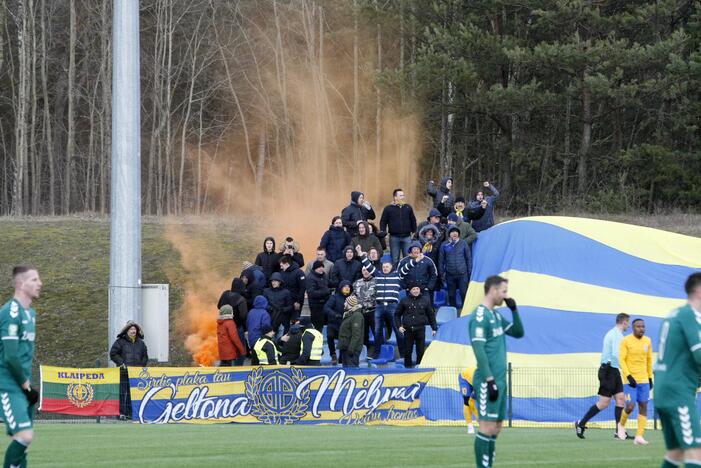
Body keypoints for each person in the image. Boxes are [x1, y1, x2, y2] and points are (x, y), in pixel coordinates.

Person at [468, 275, 524, 468]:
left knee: (496, 428)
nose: (505, 295)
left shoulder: (497, 316)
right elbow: (479, 350)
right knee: (486, 426)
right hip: (487, 381)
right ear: (493, 290)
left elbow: (518, 332)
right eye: (504, 291)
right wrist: (489, 379)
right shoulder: (480, 316)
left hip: (501, 381)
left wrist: (514, 310)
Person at [653, 273, 701, 468]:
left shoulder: (674, 314)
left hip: (664, 390)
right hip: (678, 393)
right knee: (695, 451)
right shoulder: (690, 315)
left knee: (676, 451)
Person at [0, 266, 41, 467]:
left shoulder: (30, 313)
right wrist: (26, 386)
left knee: (23, 442)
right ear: (20, 283)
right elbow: (10, 356)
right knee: (25, 435)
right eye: (34, 279)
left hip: (23, 386)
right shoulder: (10, 312)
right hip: (8, 385)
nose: (39, 283)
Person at [575, 313, 630, 440]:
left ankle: (619, 432)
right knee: (604, 403)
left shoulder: (617, 334)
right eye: (628, 322)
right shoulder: (616, 335)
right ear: (624, 322)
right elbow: (616, 355)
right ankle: (581, 423)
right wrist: (628, 369)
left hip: (614, 370)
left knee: (621, 399)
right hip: (608, 370)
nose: (628, 325)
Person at [359, 253, 406, 359]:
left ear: (391, 267)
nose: (385, 268)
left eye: (387, 267)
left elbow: (406, 268)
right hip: (379, 307)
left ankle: (403, 354)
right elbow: (368, 266)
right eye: (384, 267)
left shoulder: (397, 275)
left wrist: (415, 260)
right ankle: (376, 354)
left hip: (392, 306)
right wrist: (361, 255)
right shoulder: (378, 275)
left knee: (398, 330)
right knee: (377, 331)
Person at [618, 318, 653, 445]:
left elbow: (649, 360)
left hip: (644, 380)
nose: (641, 328)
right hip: (630, 381)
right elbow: (621, 360)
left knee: (643, 406)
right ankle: (621, 425)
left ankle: (639, 436)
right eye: (638, 326)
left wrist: (650, 378)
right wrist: (628, 376)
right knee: (630, 405)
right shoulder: (626, 341)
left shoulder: (647, 341)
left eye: (643, 326)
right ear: (633, 328)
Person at [110, 320, 149, 418]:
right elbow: (113, 353)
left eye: (134, 329)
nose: (133, 331)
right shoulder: (120, 342)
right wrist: (121, 363)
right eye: (131, 329)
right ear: (127, 331)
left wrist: (141, 366)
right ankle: (121, 413)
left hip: (136, 373)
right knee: (122, 393)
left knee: (133, 393)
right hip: (124, 372)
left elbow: (145, 356)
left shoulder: (141, 343)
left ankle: (130, 414)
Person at [395, 284, 437, 368]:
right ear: (410, 290)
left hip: (420, 329)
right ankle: (407, 369)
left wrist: (434, 328)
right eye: (413, 289)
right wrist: (399, 326)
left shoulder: (425, 300)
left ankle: (419, 368)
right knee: (407, 351)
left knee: (420, 351)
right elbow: (397, 314)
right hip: (407, 330)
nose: (416, 291)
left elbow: (431, 315)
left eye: (417, 289)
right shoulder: (404, 300)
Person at [380, 188, 417, 264]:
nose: (403, 197)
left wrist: (414, 231)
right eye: (400, 195)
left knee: (408, 258)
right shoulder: (388, 208)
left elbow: (413, 219)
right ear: (395, 197)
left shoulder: (408, 207)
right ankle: (396, 274)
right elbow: (383, 221)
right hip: (394, 237)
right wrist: (383, 231)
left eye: (403, 195)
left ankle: (407, 274)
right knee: (395, 259)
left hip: (407, 237)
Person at [439, 226, 472, 308]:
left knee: (464, 293)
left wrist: (469, 271)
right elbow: (441, 260)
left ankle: (465, 310)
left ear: (458, 234)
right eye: (452, 231)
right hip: (450, 274)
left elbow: (468, 258)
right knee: (451, 295)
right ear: (449, 234)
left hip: (462, 274)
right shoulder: (444, 245)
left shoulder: (463, 243)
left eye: (456, 231)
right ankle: (453, 311)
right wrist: (441, 273)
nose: (454, 233)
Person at [217, 278, 248, 365]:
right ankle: (238, 367)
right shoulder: (241, 299)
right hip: (237, 326)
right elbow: (243, 316)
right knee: (240, 346)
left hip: (222, 324)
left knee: (226, 346)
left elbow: (219, 306)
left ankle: (225, 365)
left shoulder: (225, 294)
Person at [324, 281, 352, 365]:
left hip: (345, 324)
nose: (347, 288)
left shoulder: (352, 298)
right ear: (341, 287)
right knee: (329, 335)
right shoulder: (334, 297)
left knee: (343, 342)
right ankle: (333, 354)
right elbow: (326, 308)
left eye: (348, 286)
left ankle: (341, 358)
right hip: (334, 322)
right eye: (345, 286)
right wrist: (334, 314)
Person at [353, 267, 377, 354]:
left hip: (373, 311)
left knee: (376, 332)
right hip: (361, 312)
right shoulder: (357, 283)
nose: (366, 272)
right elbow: (353, 296)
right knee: (363, 333)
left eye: (367, 270)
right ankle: (365, 352)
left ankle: (378, 351)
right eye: (364, 270)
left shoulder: (376, 282)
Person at [306, 261, 332, 332]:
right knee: (317, 326)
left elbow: (328, 283)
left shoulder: (324, 275)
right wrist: (325, 292)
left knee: (325, 324)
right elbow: (311, 293)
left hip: (325, 304)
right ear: (315, 268)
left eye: (322, 267)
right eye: (319, 267)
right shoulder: (310, 278)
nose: (321, 269)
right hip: (316, 306)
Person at [339, 295, 364, 368]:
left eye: (345, 302)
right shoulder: (349, 314)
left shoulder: (357, 316)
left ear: (349, 303)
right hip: (346, 348)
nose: (344, 304)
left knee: (352, 372)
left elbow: (356, 334)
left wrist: (351, 348)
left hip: (351, 350)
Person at [278, 255, 306, 320]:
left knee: (295, 321)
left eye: (282, 265)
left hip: (296, 302)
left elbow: (302, 288)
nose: (281, 267)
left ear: (287, 264)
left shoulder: (299, 272)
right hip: (285, 302)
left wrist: (298, 301)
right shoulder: (282, 273)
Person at [246, 296, 271, 365]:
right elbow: (266, 328)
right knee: (261, 360)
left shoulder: (251, 312)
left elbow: (247, 324)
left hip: (251, 338)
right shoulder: (264, 313)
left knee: (254, 359)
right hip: (260, 339)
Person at [458, 367, 479, 434]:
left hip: (474, 380)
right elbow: (470, 402)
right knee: (467, 401)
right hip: (464, 378)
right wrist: (477, 415)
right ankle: (470, 426)